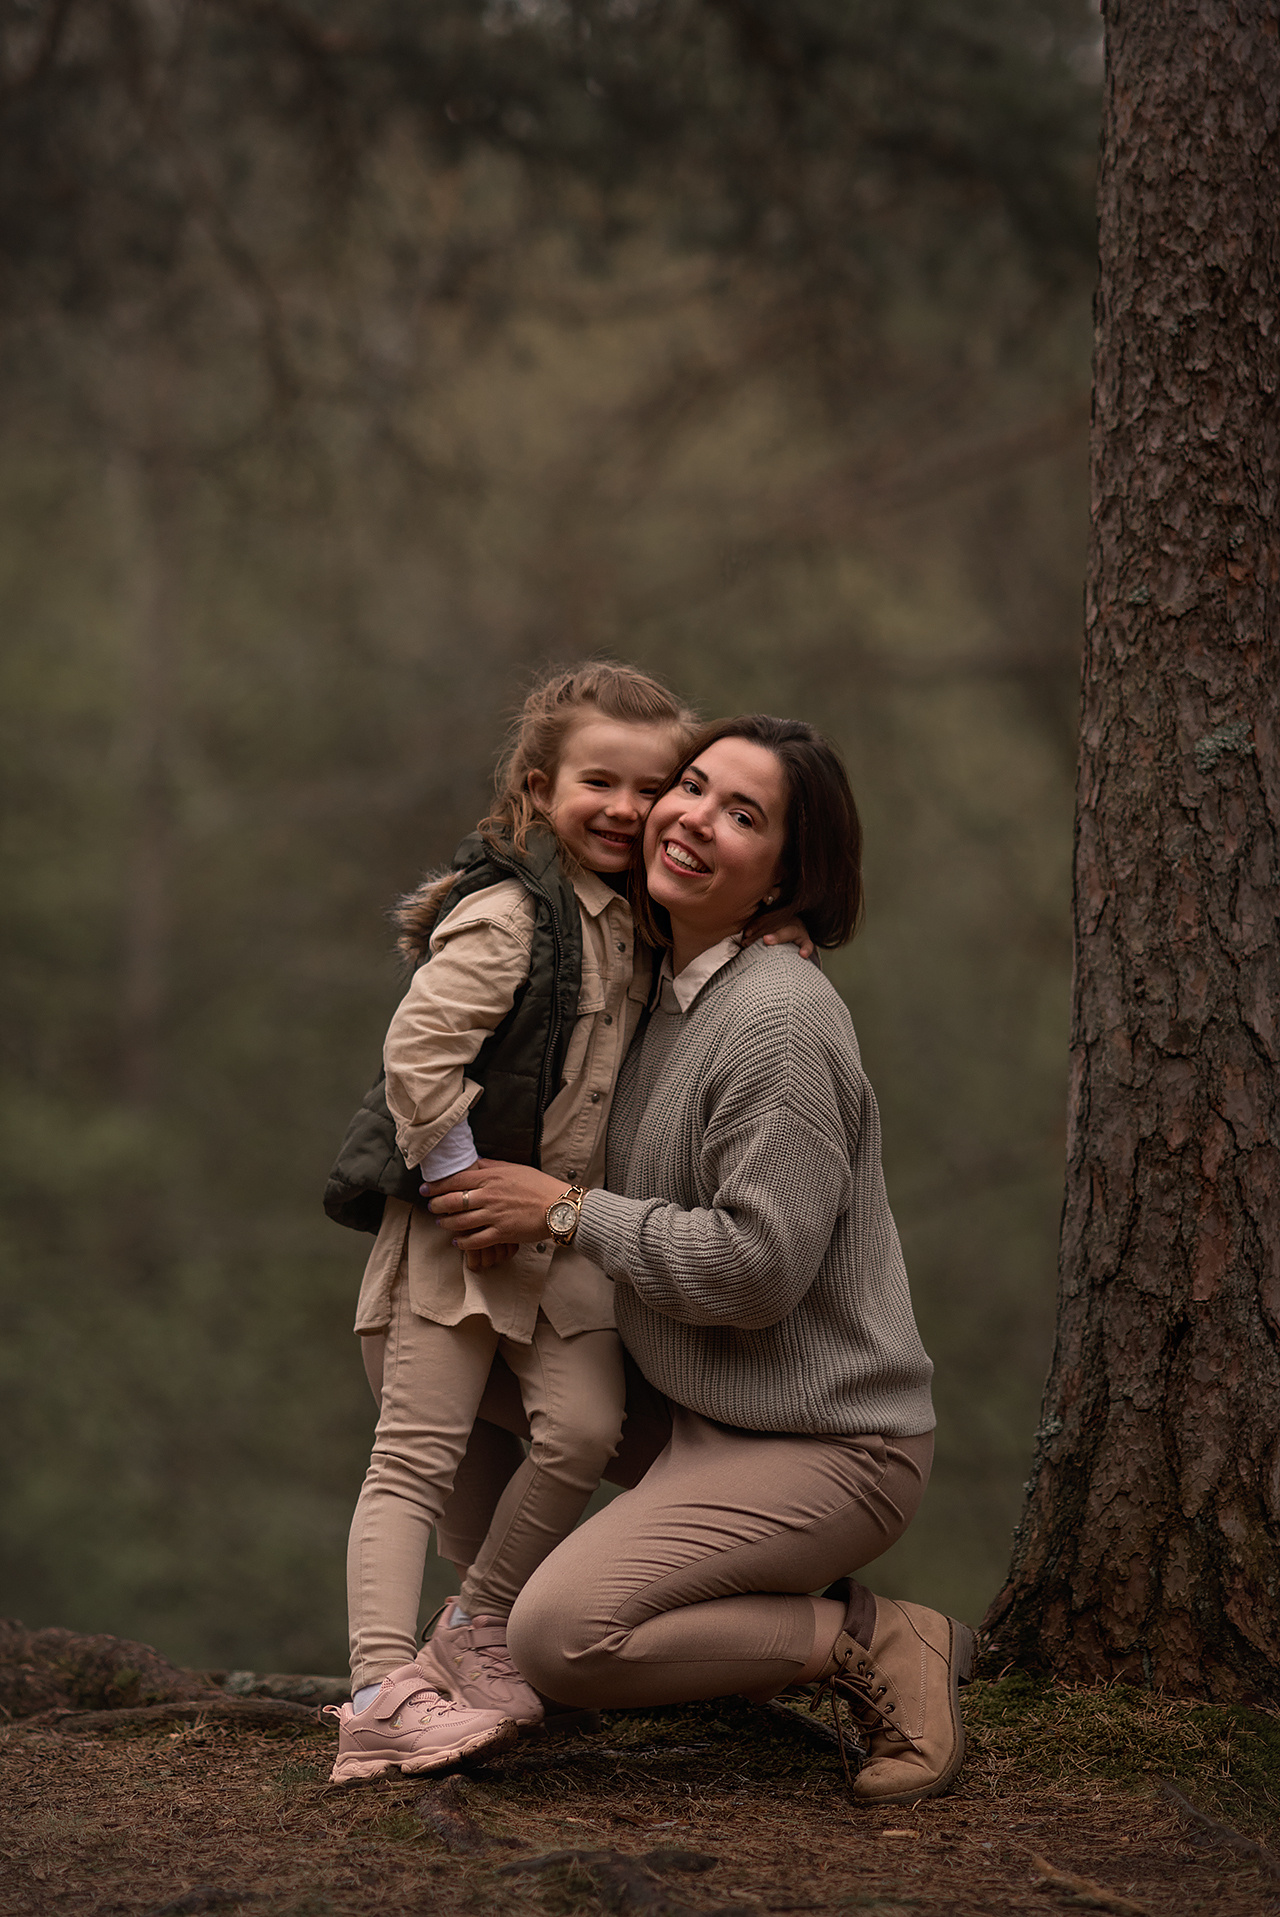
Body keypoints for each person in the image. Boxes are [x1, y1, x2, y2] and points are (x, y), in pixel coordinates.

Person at [427, 715, 975, 1807]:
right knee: (445, 1358)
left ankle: (871, 1637)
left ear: (786, 877)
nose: (692, 820)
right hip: (690, 1408)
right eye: (690, 787)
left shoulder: (774, 1018)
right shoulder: (658, 982)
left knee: (568, 1639)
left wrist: (568, 1213)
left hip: (829, 1442)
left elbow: (757, 1273)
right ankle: (467, 1644)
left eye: (743, 816)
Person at [323, 668, 814, 1784]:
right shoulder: (507, 916)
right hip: (462, 1238)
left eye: (653, 786)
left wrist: (767, 936)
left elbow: (696, 996)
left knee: (582, 1432)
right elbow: (417, 1056)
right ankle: (377, 1688)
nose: (627, 809)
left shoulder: (642, 922)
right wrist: (459, 1181)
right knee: (413, 1458)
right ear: (538, 788)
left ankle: (480, 1625)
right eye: (598, 781)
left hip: (566, 1242)